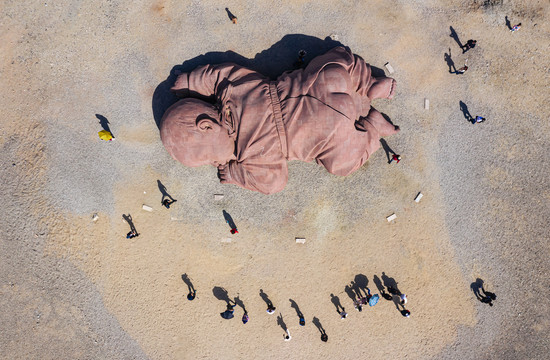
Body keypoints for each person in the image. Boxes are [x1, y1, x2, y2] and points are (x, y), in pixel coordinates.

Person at [160, 46, 400, 195]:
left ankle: (372, 127)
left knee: (342, 165)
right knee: (337, 60)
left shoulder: (251, 154)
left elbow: (274, 183)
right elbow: (219, 74)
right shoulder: (233, 92)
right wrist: (191, 81)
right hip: (318, 85)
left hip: (328, 135)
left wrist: (236, 174)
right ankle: (368, 85)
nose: (215, 163)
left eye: (209, 158)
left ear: (207, 125)